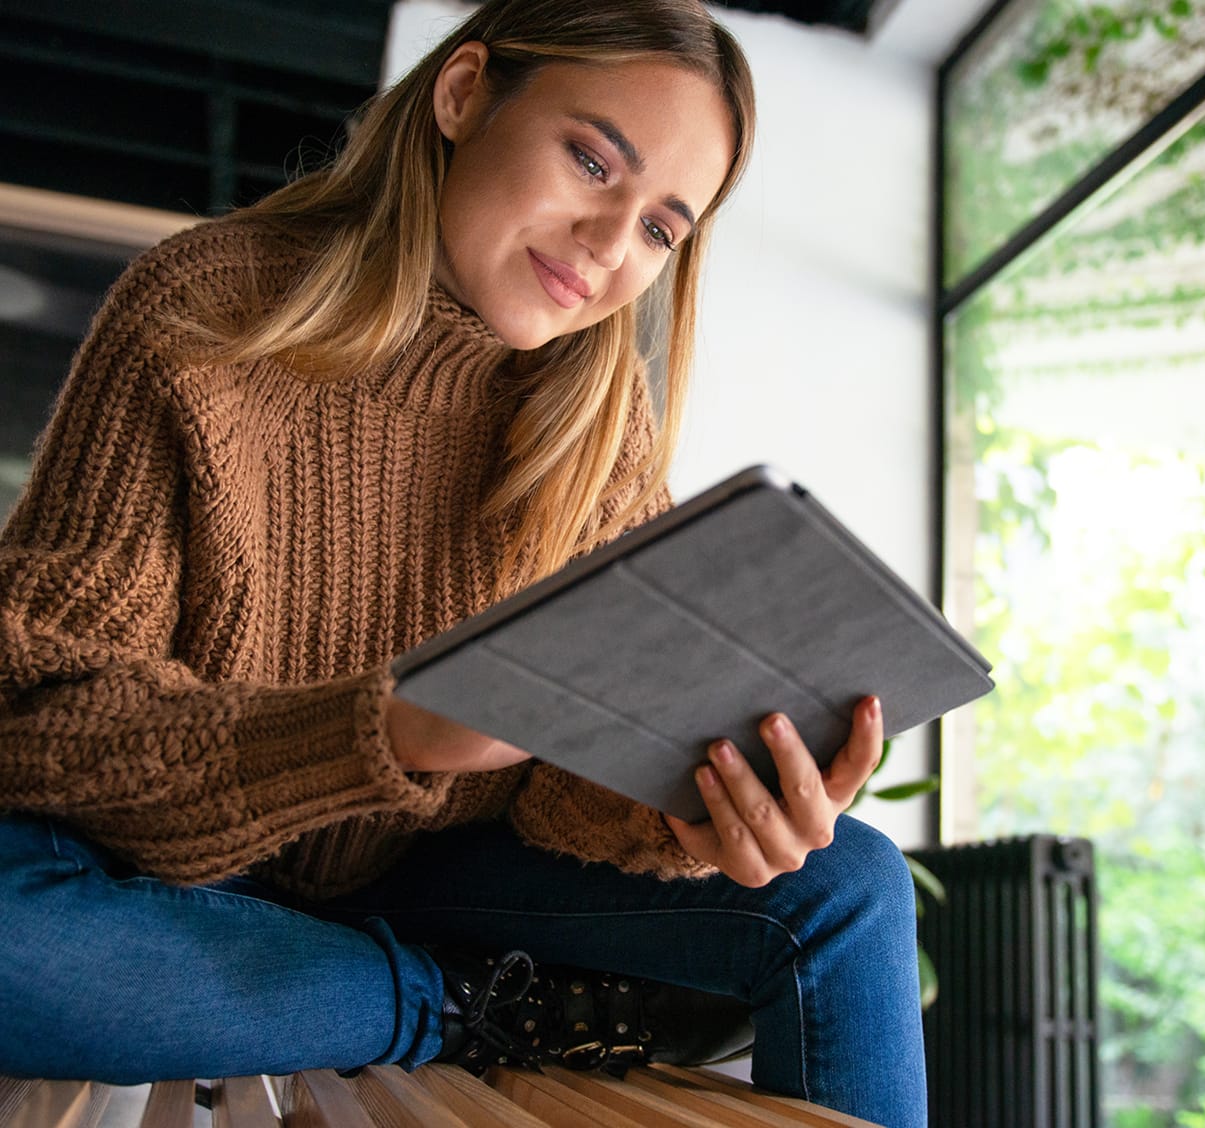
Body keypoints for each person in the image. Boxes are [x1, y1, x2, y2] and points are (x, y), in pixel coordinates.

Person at [0, 1, 926, 1124]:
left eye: (658, 230)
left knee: (855, 885)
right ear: (462, 92)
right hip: (189, 864)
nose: (606, 246)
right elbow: (40, 727)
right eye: (591, 160)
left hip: (445, 873)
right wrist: (384, 732)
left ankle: (344, 984)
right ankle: (449, 1003)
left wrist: (688, 813)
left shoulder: (596, 413)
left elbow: (555, 787)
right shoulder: (201, 315)